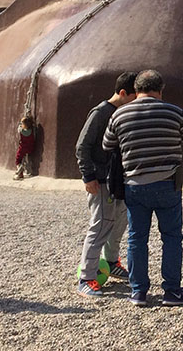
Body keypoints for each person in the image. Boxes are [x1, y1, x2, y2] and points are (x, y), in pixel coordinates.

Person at [103, 70, 183, 307]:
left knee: (137, 238)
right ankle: (171, 291)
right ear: (160, 89)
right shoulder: (174, 111)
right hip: (168, 183)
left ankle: (138, 292)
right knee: (172, 238)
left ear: (137, 90)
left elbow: (107, 144)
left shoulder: (120, 115)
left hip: (135, 185)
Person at [75, 72, 136, 297]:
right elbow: (82, 146)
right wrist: (88, 176)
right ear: (122, 93)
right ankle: (86, 276)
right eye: (134, 96)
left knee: (118, 222)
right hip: (100, 181)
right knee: (100, 225)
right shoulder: (101, 113)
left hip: (117, 179)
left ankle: (110, 263)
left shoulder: (121, 112)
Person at [14, 115, 36, 180]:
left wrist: (20, 126)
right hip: (30, 148)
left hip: (22, 148)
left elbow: (19, 129)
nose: (21, 124)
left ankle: (20, 172)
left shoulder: (21, 131)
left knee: (18, 160)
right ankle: (22, 171)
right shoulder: (32, 130)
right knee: (24, 159)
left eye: (22, 123)